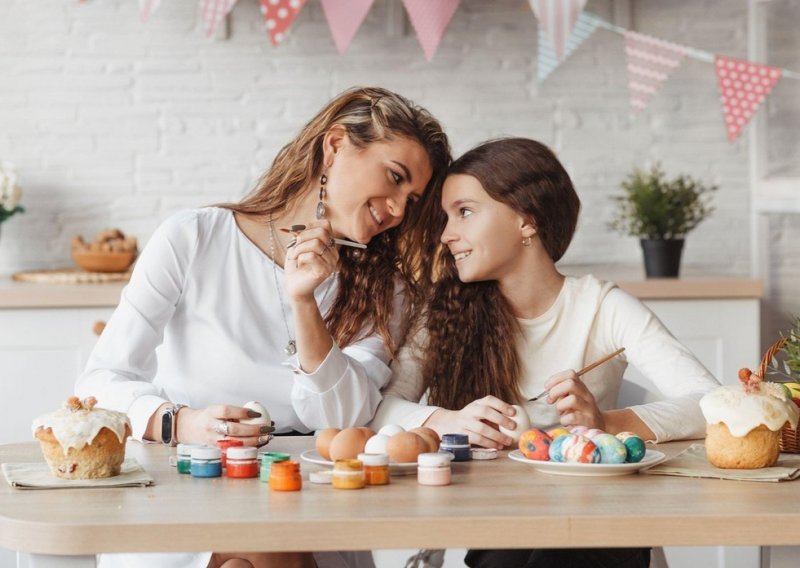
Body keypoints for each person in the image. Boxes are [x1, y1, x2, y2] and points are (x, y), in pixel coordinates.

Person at [75, 86, 451, 568]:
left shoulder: (387, 291)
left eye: (412, 198)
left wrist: (303, 302)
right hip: (188, 488)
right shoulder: (194, 239)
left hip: (312, 503)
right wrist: (180, 421)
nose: (399, 210)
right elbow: (99, 383)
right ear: (334, 146)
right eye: (395, 178)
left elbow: (344, 416)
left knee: (263, 548)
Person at [370, 138, 720, 568]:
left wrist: (605, 423)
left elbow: (712, 405)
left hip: (596, 523)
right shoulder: (443, 314)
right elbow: (380, 408)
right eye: (446, 217)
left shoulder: (601, 306)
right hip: (499, 525)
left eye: (464, 212)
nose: (446, 235)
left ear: (526, 220)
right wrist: (451, 421)